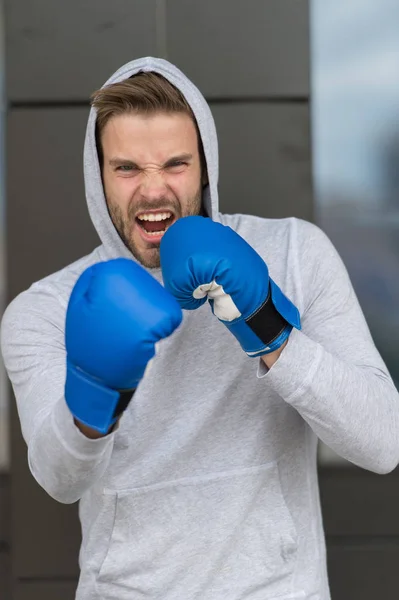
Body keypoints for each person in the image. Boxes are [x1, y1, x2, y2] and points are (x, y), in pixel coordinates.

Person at [1, 56, 398, 600]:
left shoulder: (293, 252)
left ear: (205, 165)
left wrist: (267, 325)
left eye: (175, 164)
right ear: (98, 176)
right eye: (127, 168)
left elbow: (384, 442)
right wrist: (92, 393)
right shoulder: (44, 309)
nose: (153, 190)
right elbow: (59, 480)